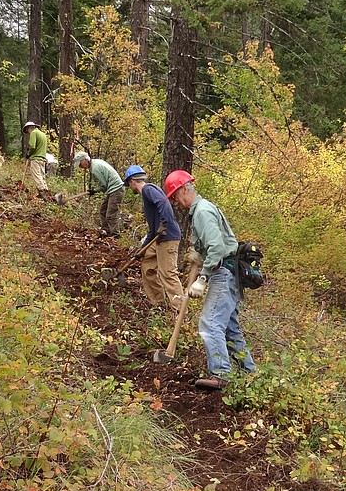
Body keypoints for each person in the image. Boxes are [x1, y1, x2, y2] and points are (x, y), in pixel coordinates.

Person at [163, 170, 255, 389]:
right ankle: (251, 375)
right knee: (230, 329)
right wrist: (198, 253)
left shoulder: (202, 211)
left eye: (175, 196)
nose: (175, 203)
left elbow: (217, 248)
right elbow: (213, 244)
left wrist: (202, 278)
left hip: (223, 273)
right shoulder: (203, 210)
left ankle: (221, 374)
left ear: (185, 189)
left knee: (210, 323)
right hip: (230, 274)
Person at [124, 164, 184, 311]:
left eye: (128, 184)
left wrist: (164, 224)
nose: (129, 187)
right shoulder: (147, 194)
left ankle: (181, 312)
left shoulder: (148, 189)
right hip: (158, 237)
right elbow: (153, 229)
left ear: (132, 181)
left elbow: (163, 203)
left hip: (168, 237)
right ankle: (159, 304)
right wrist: (143, 249)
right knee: (147, 266)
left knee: (168, 274)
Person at [74, 151, 125, 237]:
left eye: (80, 164)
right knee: (103, 210)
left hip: (116, 189)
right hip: (114, 189)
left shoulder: (94, 169)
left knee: (110, 214)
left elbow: (104, 186)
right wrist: (94, 190)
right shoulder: (96, 162)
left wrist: (94, 190)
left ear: (86, 160)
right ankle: (106, 231)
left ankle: (116, 236)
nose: (80, 167)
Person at [23, 121, 50, 200]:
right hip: (42, 159)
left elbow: (32, 146)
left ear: (29, 128)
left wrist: (28, 153)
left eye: (27, 130)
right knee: (42, 177)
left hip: (36, 158)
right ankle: (47, 192)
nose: (28, 132)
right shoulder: (43, 134)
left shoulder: (34, 133)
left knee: (37, 176)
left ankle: (43, 194)